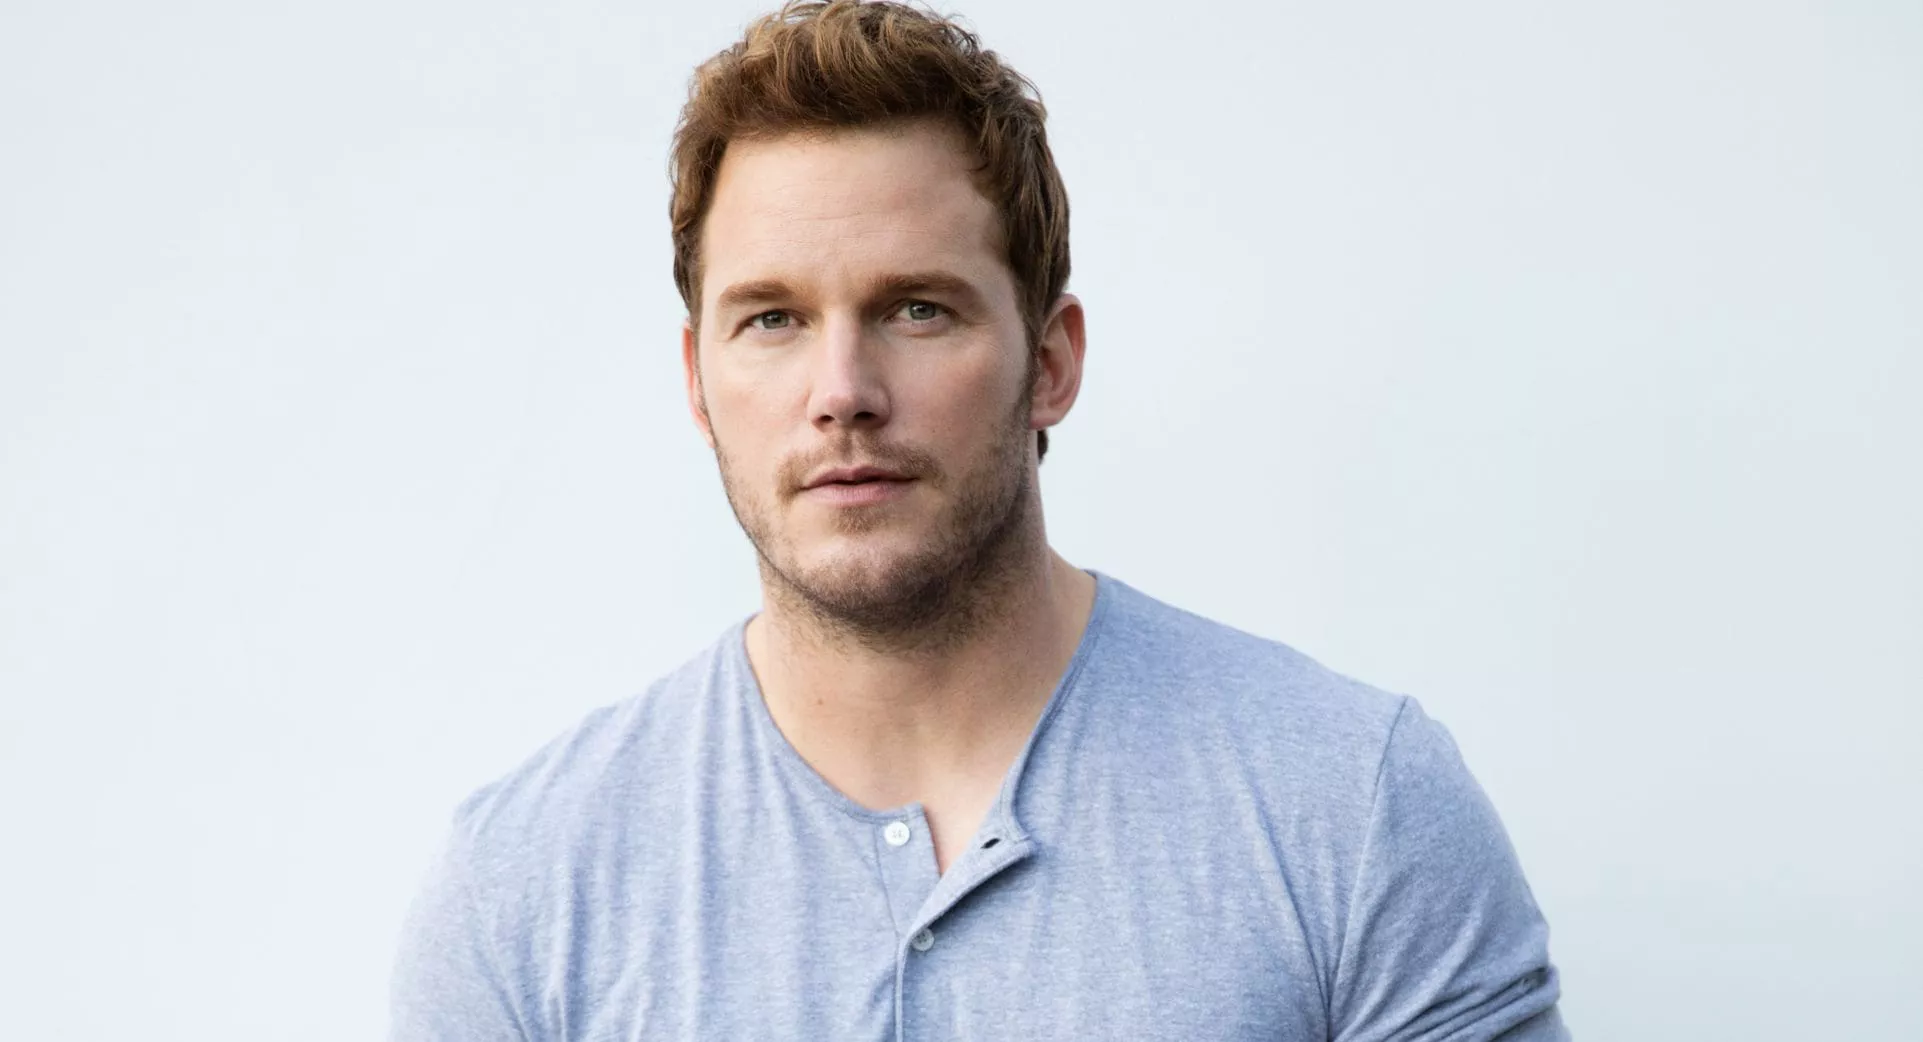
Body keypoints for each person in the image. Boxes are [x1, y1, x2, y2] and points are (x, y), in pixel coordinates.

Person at [387, 2, 1568, 1039]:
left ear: (1050, 362)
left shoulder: (1354, 810)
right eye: (773, 319)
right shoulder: (525, 894)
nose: (843, 391)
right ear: (699, 383)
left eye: (916, 308)